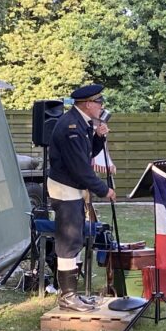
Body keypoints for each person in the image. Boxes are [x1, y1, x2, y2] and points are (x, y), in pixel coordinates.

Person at [48, 84, 116, 312]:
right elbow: (80, 167)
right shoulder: (71, 127)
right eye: (99, 102)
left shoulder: (81, 123)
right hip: (65, 188)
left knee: (75, 240)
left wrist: (98, 137)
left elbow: (87, 153)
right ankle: (67, 297)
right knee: (68, 242)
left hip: (73, 188)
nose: (102, 106)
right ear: (88, 104)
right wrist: (103, 189)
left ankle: (73, 294)